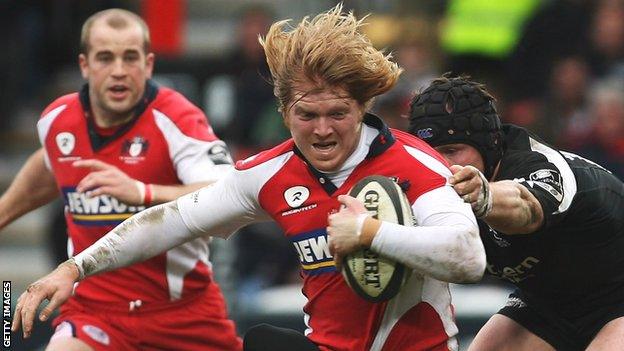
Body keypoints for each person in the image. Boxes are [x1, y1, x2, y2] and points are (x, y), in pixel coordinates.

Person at [12, 6, 486, 351]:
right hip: (318, 346)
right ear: (284, 111)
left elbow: (468, 257)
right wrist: (73, 268)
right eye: (307, 115)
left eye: (339, 113)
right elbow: (172, 221)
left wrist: (370, 234)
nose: (322, 129)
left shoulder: (412, 163)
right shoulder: (269, 174)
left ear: (363, 108)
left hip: (418, 348)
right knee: (263, 342)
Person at [0, 8, 241, 351]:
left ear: (149, 64)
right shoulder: (57, 120)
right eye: (105, 58)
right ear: (85, 65)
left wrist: (143, 192)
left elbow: (228, 195)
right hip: (95, 312)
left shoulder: (179, 119)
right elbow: (49, 162)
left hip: (182, 313)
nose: (118, 71)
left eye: (130, 58)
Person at [408, 75, 624, 351]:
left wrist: (484, 196)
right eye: (432, 154)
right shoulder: (425, 189)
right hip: (547, 303)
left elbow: (524, 207)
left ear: (488, 146)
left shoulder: (541, 168)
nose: (444, 165)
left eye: (453, 150)